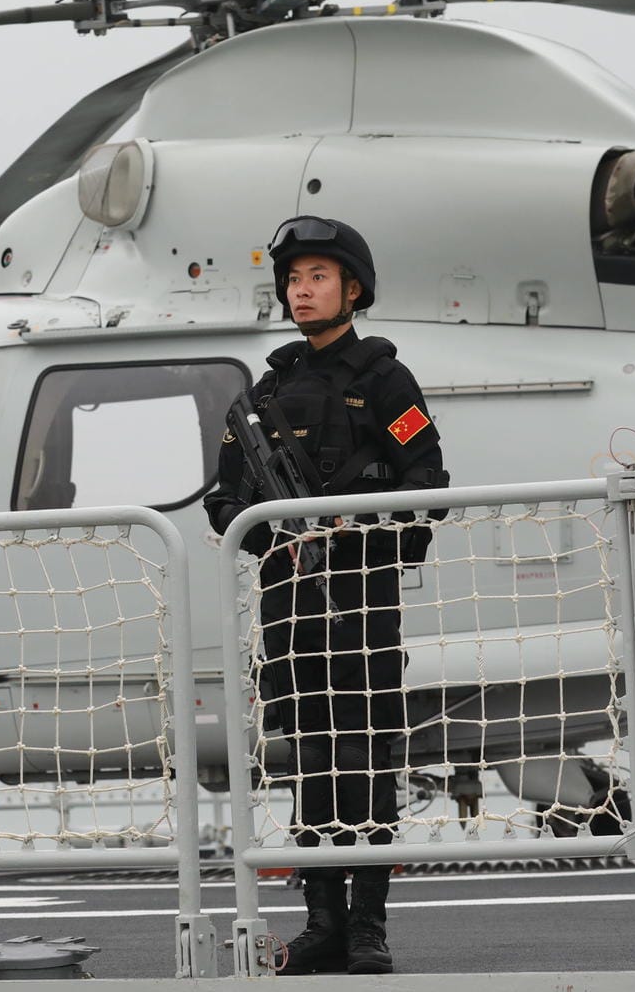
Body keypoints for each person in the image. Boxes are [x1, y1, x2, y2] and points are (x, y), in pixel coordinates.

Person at [204, 217, 447, 976]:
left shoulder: (384, 381)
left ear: (353, 288)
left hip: (362, 593)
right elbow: (224, 503)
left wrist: (355, 520)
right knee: (311, 755)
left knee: (365, 752)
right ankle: (321, 920)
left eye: (317, 277)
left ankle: (368, 925)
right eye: (293, 279)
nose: (301, 290)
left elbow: (428, 484)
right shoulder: (263, 392)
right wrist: (273, 532)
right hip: (290, 597)